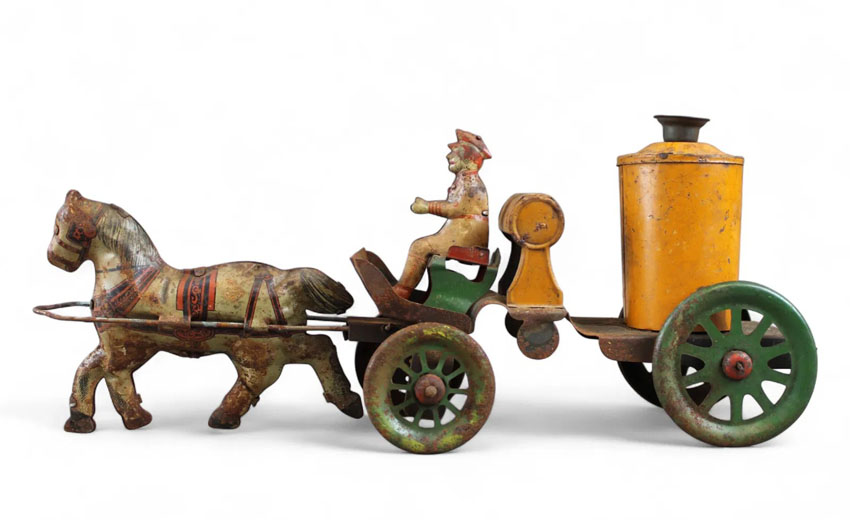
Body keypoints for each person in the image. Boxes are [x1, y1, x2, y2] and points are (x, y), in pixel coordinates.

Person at [393, 129, 491, 299]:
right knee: (422, 246)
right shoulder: (465, 180)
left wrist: (427, 207)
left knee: (420, 246)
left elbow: (456, 209)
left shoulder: (471, 183)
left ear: (467, 157)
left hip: (465, 240)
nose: (448, 156)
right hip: (458, 235)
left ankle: (402, 292)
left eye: (454, 152)